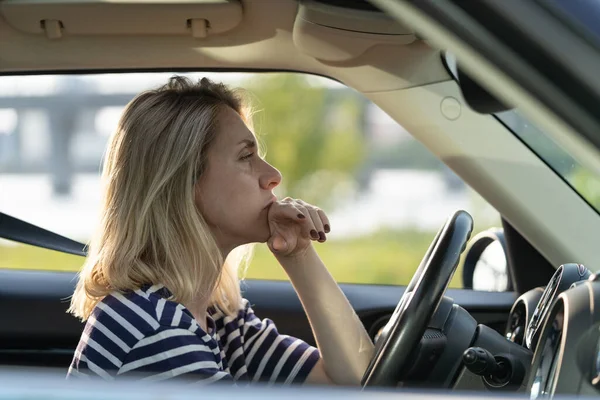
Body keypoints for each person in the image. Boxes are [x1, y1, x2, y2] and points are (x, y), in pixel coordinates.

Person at [67, 76, 374, 386]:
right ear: (185, 183)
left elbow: (353, 380)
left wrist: (298, 253)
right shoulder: (156, 331)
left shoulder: (219, 319)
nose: (273, 176)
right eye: (245, 156)